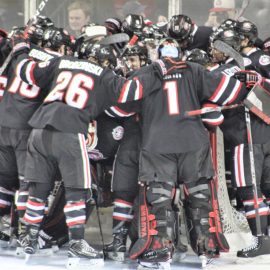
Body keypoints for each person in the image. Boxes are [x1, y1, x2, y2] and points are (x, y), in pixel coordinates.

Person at [10, 31, 168, 266]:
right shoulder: (104, 75)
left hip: (38, 130)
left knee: (38, 189)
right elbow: (132, 91)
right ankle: (76, 243)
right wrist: (157, 69)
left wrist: (20, 48)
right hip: (69, 131)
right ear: (106, 62)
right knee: (77, 191)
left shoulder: (62, 61)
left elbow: (25, 72)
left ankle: (29, 238)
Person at [128, 37, 249, 269]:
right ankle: (207, 250)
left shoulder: (146, 73)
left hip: (157, 144)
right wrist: (243, 80)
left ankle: (161, 250)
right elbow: (231, 93)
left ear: (159, 54)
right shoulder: (194, 70)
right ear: (180, 53)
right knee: (199, 195)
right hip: (193, 143)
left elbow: (119, 107)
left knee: (160, 198)